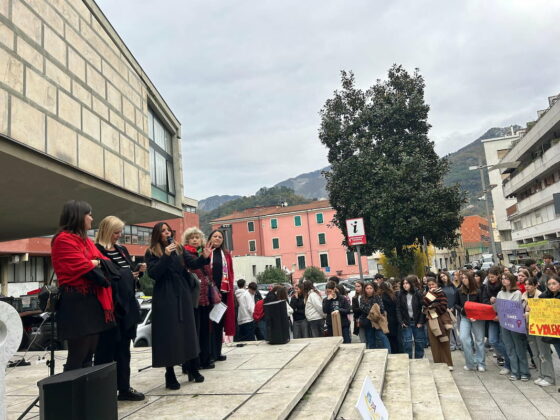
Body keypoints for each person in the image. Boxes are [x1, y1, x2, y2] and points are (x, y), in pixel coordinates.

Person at [145, 222, 212, 389]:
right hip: (165, 295)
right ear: (157, 234)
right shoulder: (152, 251)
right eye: (163, 231)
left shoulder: (178, 248)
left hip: (182, 293)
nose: (167, 233)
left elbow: (192, 263)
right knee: (170, 334)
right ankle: (170, 374)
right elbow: (154, 274)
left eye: (168, 230)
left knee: (188, 331)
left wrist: (204, 257)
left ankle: (192, 369)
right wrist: (166, 256)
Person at [51, 200, 115, 371]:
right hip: (75, 301)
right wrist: (95, 263)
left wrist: (95, 263)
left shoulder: (85, 241)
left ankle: (86, 395)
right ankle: (71, 396)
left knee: (90, 352)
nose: (92, 219)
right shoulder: (63, 240)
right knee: (78, 353)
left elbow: (106, 264)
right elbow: (85, 267)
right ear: (78, 216)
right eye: (89, 214)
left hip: (91, 299)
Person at [94, 216, 145, 401]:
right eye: (116, 232)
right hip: (109, 307)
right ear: (107, 231)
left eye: (120, 232)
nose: (119, 235)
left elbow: (127, 273)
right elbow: (102, 276)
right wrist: (125, 274)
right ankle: (102, 391)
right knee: (105, 350)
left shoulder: (121, 249)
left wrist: (137, 271)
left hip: (127, 305)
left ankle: (124, 388)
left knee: (124, 349)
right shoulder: (96, 250)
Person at [181, 227, 215, 369]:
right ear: (187, 240)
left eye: (197, 237)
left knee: (204, 330)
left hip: (205, 297)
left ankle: (205, 359)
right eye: (192, 237)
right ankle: (192, 363)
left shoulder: (202, 253)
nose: (195, 240)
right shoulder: (185, 254)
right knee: (194, 331)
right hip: (193, 297)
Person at [207, 230, 235, 363]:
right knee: (210, 324)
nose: (217, 238)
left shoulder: (227, 255)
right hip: (209, 293)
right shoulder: (206, 252)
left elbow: (230, 273)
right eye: (215, 236)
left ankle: (217, 352)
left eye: (220, 237)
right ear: (210, 238)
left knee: (219, 323)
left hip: (223, 294)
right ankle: (210, 353)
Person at [497, 272, 529, 381]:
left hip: (515, 323)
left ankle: (524, 372)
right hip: (504, 323)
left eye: (506, 278)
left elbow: (513, 308)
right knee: (509, 347)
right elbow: (498, 307)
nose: (503, 280)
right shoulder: (500, 293)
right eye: (502, 278)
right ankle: (515, 372)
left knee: (519, 347)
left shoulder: (517, 292)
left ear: (511, 280)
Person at [523, 277, 554, 387]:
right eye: (525, 284)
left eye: (530, 284)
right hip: (528, 327)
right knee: (535, 353)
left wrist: (528, 312)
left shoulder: (541, 296)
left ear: (536, 285)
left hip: (540, 328)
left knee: (543, 353)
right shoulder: (523, 296)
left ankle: (549, 376)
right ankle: (541, 375)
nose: (527, 286)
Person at [482, 265, 510, 374]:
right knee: (493, 340)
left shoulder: (502, 287)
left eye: (492, 277)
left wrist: (497, 301)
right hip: (492, 317)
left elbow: (507, 302)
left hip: (503, 317)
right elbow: (484, 300)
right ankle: (508, 357)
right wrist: (490, 301)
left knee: (504, 340)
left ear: (498, 276)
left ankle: (508, 364)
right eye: (489, 277)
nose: (490, 279)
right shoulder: (486, 287)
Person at [457, 271, 486, 372]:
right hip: (465, 317)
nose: (464, 279)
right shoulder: (460, 290)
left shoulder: (478, 290)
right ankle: (470, 363)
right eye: (462, 278)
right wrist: (462, 310)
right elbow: (456, 304)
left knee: (479, 340)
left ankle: (481, 363)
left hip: (477, 318)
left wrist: (476, 315)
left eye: (466, 277)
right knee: (464, 338)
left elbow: (482, 304)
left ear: (470, 279)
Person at [423, 277, 453, 370]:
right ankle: (438, 363)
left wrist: (432, 308)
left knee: (444, 341)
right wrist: (431, 295)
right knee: (434, 343)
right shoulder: (427, 294)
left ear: (437, 284)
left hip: (442, 320)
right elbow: (424, 304)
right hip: (431, 320)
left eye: (433, 284)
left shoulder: (441, 292)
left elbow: (443, 306)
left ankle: (448, 363)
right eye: (429, 285)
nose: (431, 286)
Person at [396, 276, 426, 359]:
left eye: (407, 283)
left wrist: (420, 321)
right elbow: (398, 309)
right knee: (407, 342)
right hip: (406, 322)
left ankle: (419, 359)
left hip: (417, 322)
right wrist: (401, 322)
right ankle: (408, 359)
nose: (405, 285)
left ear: (411, 284)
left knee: (419, 342)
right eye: (403, 284)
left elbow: (423, 308)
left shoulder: (418, 293)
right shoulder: (400, 294)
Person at [359, 282, 391, 351]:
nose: (369, 290)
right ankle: (372, 353)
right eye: (367, 288)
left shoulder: (377, 297)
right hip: (368, 322)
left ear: (373, 289)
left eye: (371, 288)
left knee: (383, 337)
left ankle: (389, 352)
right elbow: (362, 308)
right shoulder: (362, 298)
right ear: (364, 289)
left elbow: (381, 308)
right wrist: (373, 309)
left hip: (377, 321)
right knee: (371, 339)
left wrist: (374, 310)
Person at [439, 271, 461, 351]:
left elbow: (456, 297)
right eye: (441, 277)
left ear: (447, 276)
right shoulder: (440, 288)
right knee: (449, 328)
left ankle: (459, 344)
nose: (443, 278)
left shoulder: (453, 286)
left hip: (454, 309)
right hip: (445, 310)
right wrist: (446, 308)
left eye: (444, 276)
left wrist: (454, 306)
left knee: (456, 327)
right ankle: (452, 344)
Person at [379, 282, 400, 353]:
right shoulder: (393, 295)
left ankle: (393, 352)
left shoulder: (382, 296)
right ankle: (397, 352)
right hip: (394, 319)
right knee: (395, 338)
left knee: (390, 338)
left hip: (387, 319)